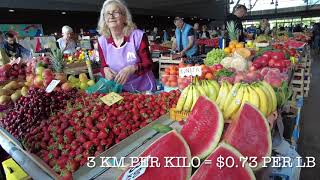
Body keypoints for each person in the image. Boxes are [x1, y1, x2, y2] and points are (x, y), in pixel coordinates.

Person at [97, 0, 156, 92]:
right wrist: (105, 70)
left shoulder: (137, 36)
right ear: (104, 19)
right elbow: (103, 65)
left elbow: (148, 63)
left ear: (125, 17)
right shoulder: (102, 41)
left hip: (142, 90)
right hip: (118, 90)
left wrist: (132, 68)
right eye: (107, 14)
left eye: (115, 12)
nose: (111, 16)